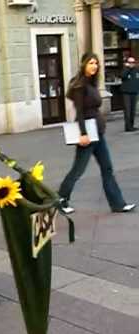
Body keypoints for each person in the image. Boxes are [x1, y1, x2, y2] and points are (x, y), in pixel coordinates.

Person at [58, 53, 136, 214]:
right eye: (90, 63)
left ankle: (118, 204)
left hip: (98, 133)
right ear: (83, 65)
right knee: (77, 170)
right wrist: (83, 134)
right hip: (88, 134)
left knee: (107, 168)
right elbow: (79, 112)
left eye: (96, 63)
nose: (94, 66)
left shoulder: (91, 84)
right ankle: (60, 200)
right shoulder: (80, 85)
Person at [121, 56, 139, 132]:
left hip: (134, 93)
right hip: (126, 93)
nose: (131, 64)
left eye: (133, 62)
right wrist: (128, 68)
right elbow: (122, 76)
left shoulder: (137, 70)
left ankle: (131, 125)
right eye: (130, 62)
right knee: (127, 110)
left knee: (133, 110)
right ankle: (127, 127)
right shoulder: (125, 70)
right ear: (127, 63)